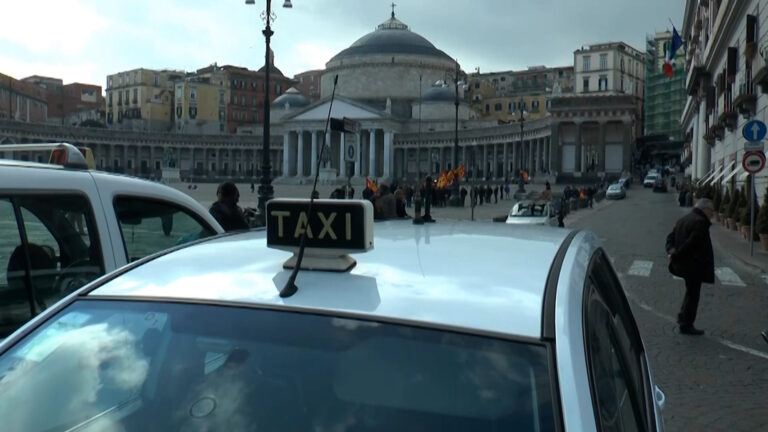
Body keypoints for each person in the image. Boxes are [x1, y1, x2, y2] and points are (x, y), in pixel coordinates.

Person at [665, 198, 715, 336]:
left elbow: (670, 238)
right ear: (705, 209)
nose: (712, 214)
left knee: (690, 293)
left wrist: (671, 251)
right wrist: (676, 254)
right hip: (693, 265)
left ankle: (683, 319)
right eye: (711, 211)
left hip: (685, 264)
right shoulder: (699, 222)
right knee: (693, 295)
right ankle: (686, 323)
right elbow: (691, 243)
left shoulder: (684, 219)